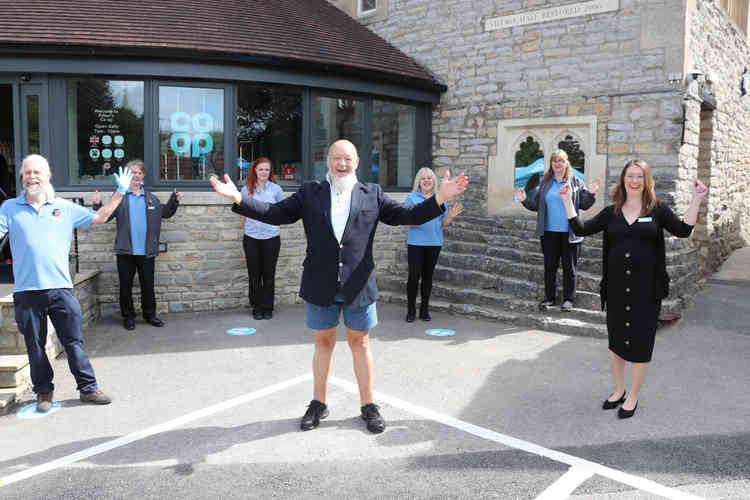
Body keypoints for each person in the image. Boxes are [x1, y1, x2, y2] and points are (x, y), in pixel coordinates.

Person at [210, 139, 468, 433]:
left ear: (357, 161)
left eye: (347, 159)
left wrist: (438, 198)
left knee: (361, 343)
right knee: (323, 342)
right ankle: (318, 403)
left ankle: (369, 405)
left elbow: (406, 216)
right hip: (321, 281)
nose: (341, 164)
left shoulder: (373, 193)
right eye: (336, 158)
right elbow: (275, 213)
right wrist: (238, 199)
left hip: (359, 283)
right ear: (328, 161)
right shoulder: (310, 191)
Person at [560, 159, 707, 419]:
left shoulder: (657, 210)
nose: (635, 181)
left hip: (647, 290)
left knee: (640, 343)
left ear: (646, 180)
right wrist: (566, 201)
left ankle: (634, 395)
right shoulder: (611, 213)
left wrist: (696, 198)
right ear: (623, 179)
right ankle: (618, 390)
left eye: (640, 176)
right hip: (616, 289)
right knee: (616, 342)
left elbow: (683, 230)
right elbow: (580, 228)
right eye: (630, 175)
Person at [0, 154, 132, 412]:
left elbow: (101, 217)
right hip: (27, 291)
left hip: (61, 288)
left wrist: (120, 192)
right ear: (22, 177)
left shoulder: (64, 207)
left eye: (37, 172)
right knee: (35, 345)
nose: (32, 176)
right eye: (27, 173)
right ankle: (44, 392)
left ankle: (88, 388)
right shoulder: (9, 208)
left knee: (73, 342)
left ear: (47, 176)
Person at [93, 160, 181, 331]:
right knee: (125, 286)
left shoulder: (151, 199)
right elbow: (104, 216)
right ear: (127, 176)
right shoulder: (119, 197)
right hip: (125, 251)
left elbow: (166, 213)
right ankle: (129, 317)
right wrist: (97, 204)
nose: (136, 176)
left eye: (139, 172)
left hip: (146, 251)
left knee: (147, 285)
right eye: (132, 172)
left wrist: (174, 201)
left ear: (143, 176)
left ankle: (150, 315)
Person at [515, 150, 600, 312]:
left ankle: (568, 299)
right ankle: (549, 298)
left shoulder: (576, 182)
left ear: (567, 163)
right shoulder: (546, 183)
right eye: (554, 160)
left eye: (561, 160)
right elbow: (536, 205)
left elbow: (585, 204)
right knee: (550, 267)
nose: (557, 163)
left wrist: (592, 193)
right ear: (551, 164)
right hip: (548, 233)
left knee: (570, 268)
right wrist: (524, 200)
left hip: (571, 233)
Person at [405, 167, 463, 322]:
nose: (426, 181)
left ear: (433, 181)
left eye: (429, 178)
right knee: (413, 276)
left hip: (434, 243)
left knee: (427, 277)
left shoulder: (441, 199)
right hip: (416, 243)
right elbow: (408, 222)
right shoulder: (411, 198)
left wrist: (450, 216)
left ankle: (424, 310)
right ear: (419, 181)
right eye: (423, 178)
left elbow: (443, 223)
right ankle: (411, 311)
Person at [240, 157, 284, 320]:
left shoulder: (276, 190)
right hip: (251, 238)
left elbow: (282, 211)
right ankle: (256, 306)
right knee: (254, 274)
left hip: (271, 238)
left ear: (270, 172)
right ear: (255, 171)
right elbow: (243, 213)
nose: (264, 172)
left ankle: (267, 307)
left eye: (267, 169)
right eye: (261, 169)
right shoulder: (246, 190)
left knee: (268, 274)